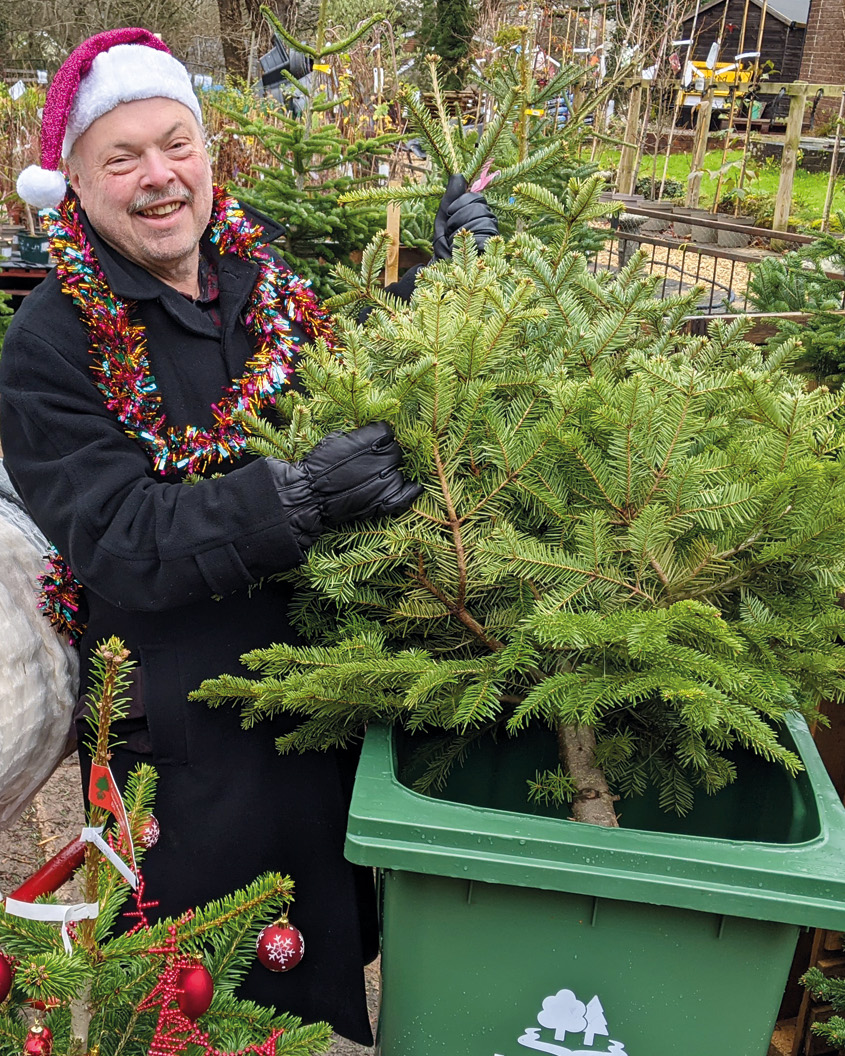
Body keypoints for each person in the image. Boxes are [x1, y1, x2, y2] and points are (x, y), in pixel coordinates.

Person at [0, 28, 498, 1043]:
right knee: (211, 996)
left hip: (321, 690)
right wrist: (300, 501)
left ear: (208, 154)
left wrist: (451, 278)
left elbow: (348, 365)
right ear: (78, 186)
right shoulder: (51, 343)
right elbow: (119, 536)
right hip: (186, 736)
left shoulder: (255, 274)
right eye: (122, 158)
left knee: (326, 956)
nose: (159, 178)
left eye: (175, 144)